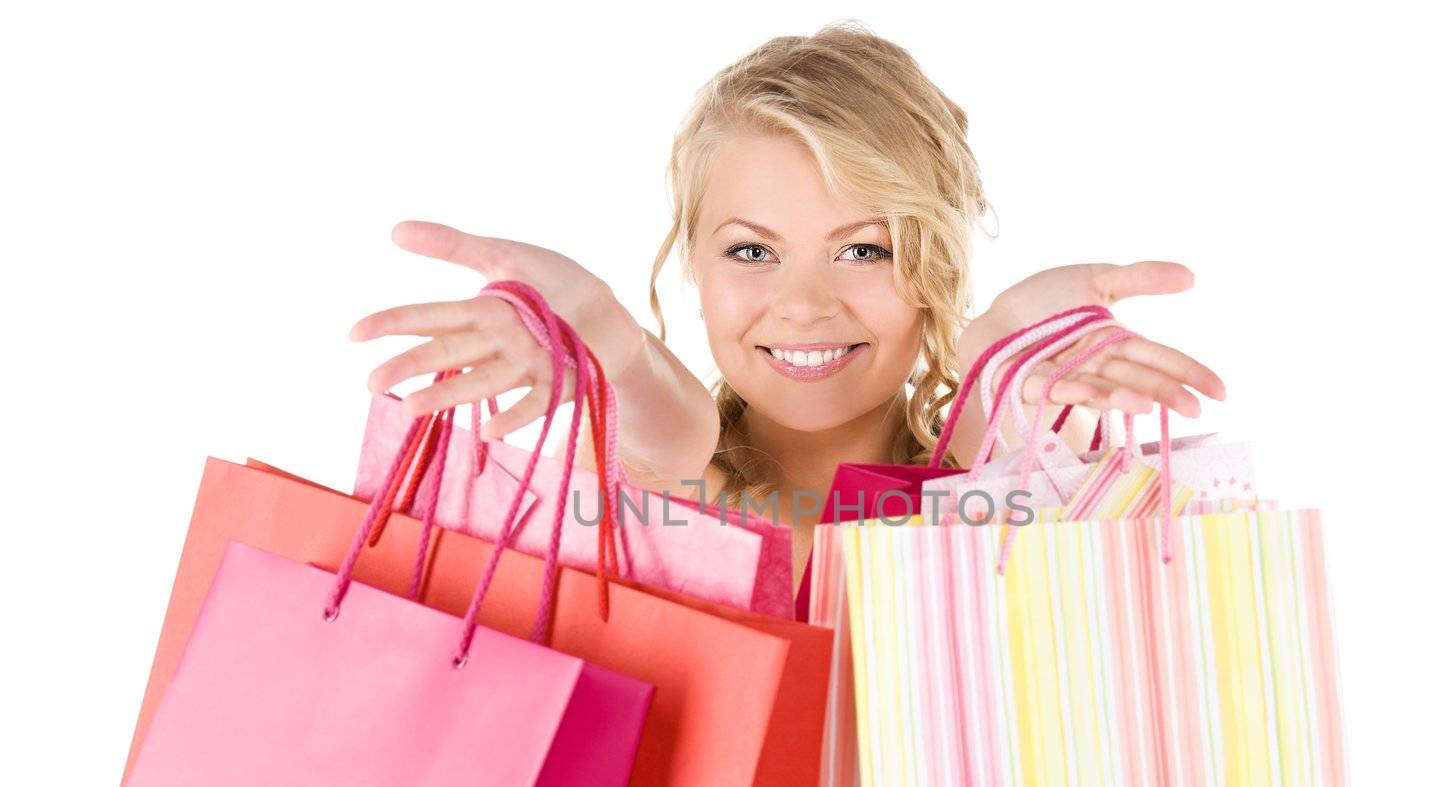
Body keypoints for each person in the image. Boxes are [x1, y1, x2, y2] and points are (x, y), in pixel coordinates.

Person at [348, 21, 1225, 603]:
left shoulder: (1014, 507)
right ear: (690, 261)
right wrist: (618, 355)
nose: (804, 305)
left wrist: (1006, 394)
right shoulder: (639, 489)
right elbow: (659, 438)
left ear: (937, 265)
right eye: (752, 251)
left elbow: (1010, 480)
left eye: (863, 250)